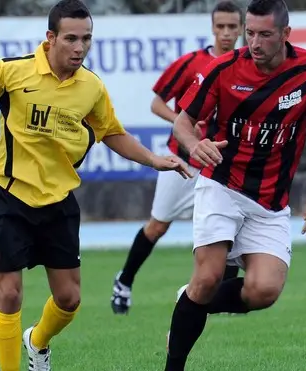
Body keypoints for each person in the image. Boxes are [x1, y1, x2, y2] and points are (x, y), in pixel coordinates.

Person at [0, 1, 192, 371]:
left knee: (70, 299)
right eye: (71, 38)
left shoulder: (90, 87)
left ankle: (37, 341)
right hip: (7, 195)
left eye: (86, 39)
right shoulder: (14, 72)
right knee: (9, 293)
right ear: (50, 38)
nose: (79, 47)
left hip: (58, 200)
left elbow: (111, 133)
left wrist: (154, 160)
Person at [163, 0, 306, 369]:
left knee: (264, 291)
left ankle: (189, 301)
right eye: (249, 32)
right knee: (207, 277)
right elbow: (182, 124)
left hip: (269, 201)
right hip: (221, 184)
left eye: (265, 34)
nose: (254, 41)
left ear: (286, 34)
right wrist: (193, 145)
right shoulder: (222, 68)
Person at [110, 0, 245, 316]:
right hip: (182, 162)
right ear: (212, 28)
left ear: (241, 29)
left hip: (223, 167)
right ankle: (124, 281)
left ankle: (217, 301)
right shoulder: (192, 63)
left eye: (232, 27)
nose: (226, 33)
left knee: (229, 231)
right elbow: (157, 103)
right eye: (220, 26)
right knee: (157, 227)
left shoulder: (248, 66)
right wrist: (182, 123)